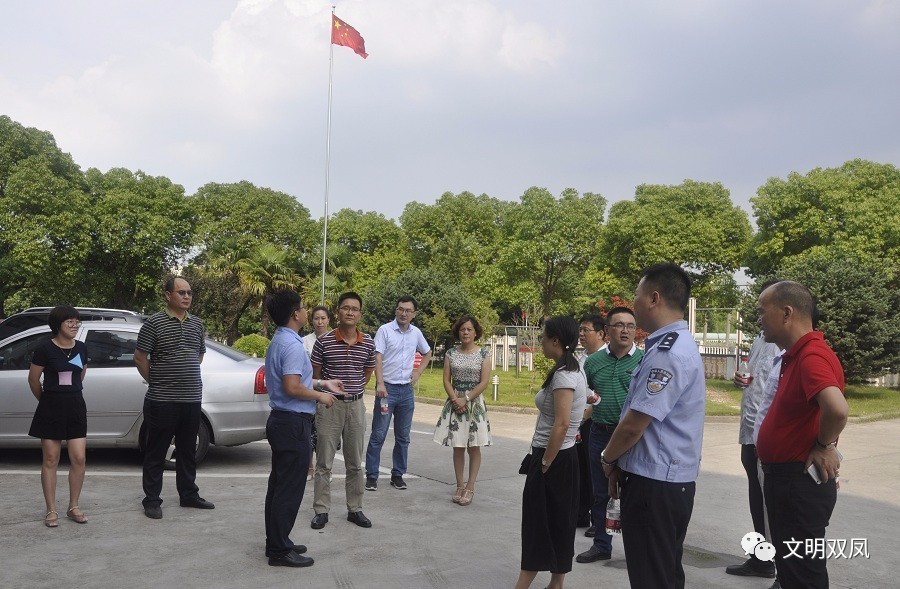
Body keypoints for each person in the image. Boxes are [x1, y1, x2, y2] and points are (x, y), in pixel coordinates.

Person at [601, 263, 705, 589]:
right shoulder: (675, 344)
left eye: (636, 296)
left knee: (652, 578)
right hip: (666, 481)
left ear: (654, 298)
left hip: (655, 485)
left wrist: (607, 459)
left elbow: (634, 425)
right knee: (664, 574)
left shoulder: (666, 351)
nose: (633, 303)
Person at [755, 281, 848, 589]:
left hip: (797, 485)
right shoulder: (798, 355)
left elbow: (837, 409)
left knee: (802, 576)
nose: (758, 320)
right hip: (789, 483)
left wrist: (823, 445)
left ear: (786, 313)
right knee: (793, 572)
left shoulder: (811, 356)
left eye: (761, 312)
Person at [263, 289, 341, 567]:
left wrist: (323, 383)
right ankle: (279, 551)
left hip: (282, 420)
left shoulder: (279, 341)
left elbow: (295, 380)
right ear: (295, 314)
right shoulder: (294, 345)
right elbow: (292, 386)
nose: (307, 312)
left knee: (279, 485)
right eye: (304, 308)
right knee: (289, 489)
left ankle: (277, 541)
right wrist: (321, 396)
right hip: (292, 422)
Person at [515, 315, 587, 589]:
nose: (541, 341)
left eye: (544, 336)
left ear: (555, 340)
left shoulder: (564, 375)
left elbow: (562, 422)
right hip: (562, 456)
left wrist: (545, 461)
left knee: (537, 525)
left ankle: (522, 585)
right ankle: (557, 583)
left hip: (554, 457)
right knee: (560, 521)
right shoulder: (572, 369)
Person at [134, 276, 213, 519]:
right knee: (156, 451)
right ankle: (152, 499)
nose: (187, 296)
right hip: (161, 400)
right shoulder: (154, 323)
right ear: (168, 295)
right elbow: (139, 357)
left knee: (187, 451)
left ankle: (188, 494)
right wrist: (158, 381)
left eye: (189, 292)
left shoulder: (197, 324)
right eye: (181, 292)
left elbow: (198, 355)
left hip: (191, 399)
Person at [577, 307, 643, 564]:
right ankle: (601, 545)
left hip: (632, 437)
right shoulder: (593, 362)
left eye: (630, 325)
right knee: (601, 492)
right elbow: (588, 392)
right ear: (607, 331)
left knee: (636, 493)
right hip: (600, 433)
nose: (625, 330)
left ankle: (638, 550)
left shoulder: (644, 360)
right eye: (619, 325)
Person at [310, 292, 377, 530]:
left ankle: (355, 508)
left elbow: (366, 375)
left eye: (355, 309)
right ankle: (321, 509)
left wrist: (354, 392)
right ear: (337, 312)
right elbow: (315, 376)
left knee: (354, 463)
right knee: (324, 462)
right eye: (345, 308)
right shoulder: (324, 341)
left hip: (356, 406)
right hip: (330, 406)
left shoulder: (368, 342)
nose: (350, 312)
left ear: (360, 314)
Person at [27, 306, 89, 527]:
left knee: (79, 458)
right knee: (51, 459)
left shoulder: (81, 348)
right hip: (51, 407)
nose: (74, 325)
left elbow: (81, 375)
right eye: (69, 322)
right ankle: (51, 510)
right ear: (57, 324)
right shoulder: (44, 349)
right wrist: (46, 399)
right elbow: (34, 379)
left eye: (76, 321)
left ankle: (73, 506)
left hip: (75, 406)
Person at [725, 330, 780, 580]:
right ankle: (762, 558)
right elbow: (758, 382)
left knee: (772, 503)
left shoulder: (782, 344)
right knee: (757, 497)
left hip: (766, 436)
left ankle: (780, 569)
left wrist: (764, 436)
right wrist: (741, 379)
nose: (759, 316)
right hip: (751, 431)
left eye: (763, 309)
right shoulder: (761, 338)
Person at [365, 295, 432, 491]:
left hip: (406, 391)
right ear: (396, 310)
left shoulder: (416, 333)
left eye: (408, 310)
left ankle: (398, 474)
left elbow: (427, 352)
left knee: (403, 436)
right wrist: (379, 383)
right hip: (387, 390)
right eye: (401, 309)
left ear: (414, 314)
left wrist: (418, 372)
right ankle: (372, 475)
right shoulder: (385, 330)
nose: (404, 313)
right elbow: (378, 356)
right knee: (378, 434)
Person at [432, 315, 493, 506]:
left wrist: (466, 398)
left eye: (469, 329)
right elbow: (446, 380)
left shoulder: (484, 354)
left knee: (473, 447)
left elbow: (484, 382)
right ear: (458, 332)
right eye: (462, 329)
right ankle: (459, 485)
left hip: (473, 403)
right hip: (455, 401)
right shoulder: (451, 353)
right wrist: (455, 399)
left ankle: (470, 487)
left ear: (475, 332)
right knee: (457, 445)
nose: (465, 332)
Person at [575, 313, 604, 532]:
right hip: (579, 421)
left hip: (594, 420)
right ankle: (581, 514)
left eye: (586, 330)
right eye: (581, 330)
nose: (581, 334)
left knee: (596, 473)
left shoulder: (606, 358)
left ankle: (598, 519)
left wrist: (581, 418)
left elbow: (598, 396)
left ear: (601, 333)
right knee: (581, 470)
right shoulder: (582, 357)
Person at [303, 305, 333, 480]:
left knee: (326, 435)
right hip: (310, 393)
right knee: (308, 433)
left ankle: (326, 469)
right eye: (316, 318)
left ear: (328, 320)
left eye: (323, 318)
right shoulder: (304, 341)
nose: (320, 321)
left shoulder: (335, 339)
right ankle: (309, 467)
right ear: (311, 321)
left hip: (329, 394)